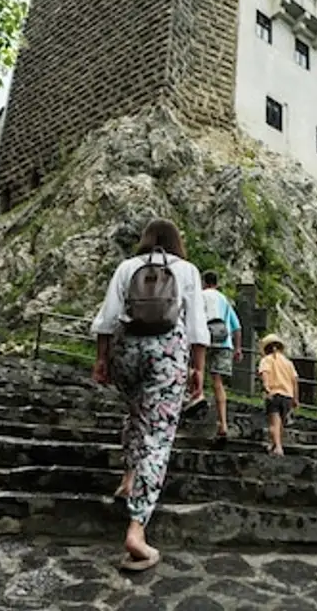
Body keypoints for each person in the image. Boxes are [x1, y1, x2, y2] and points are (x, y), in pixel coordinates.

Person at [90, 218, 209, 572]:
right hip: (167, 353)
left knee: (136, 413)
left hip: (127, 352)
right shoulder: (186, 270)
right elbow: (196, 326)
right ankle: (137, 530)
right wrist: (197, 369)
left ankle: (129, 477)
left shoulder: (127, 267)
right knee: (158, 435)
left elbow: (108, 317)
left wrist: (101, 360)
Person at [184, 271, 242, 443]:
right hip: (223, 342)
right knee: (218, 383)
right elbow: (236, 326)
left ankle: (195, 397)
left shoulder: (199, 296)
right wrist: (238, 348)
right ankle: (223, 424)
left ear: (203, 282)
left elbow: (190, 318)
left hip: (202, 340)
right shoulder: (224, 300)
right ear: (216, 283)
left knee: (194, 370)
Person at [257, 333, 299, 456]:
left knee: (273, 423)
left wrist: (266, 387)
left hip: (274, 394)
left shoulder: (266, 360)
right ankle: (275, 444)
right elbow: (295, 380)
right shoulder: (288, 363)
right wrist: (296, 398)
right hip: (287, 396)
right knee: (280, 423)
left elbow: (265, 374)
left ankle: (278, 447)